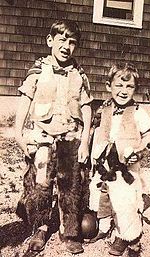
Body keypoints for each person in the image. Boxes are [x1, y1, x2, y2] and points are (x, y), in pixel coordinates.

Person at [15, 19, 93, 254]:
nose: (66, 46)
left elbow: (87, 107)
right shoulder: (38, 71)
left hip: (70, 136)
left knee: (70, 186)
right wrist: (19, 134)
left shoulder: (79, 74)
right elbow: (25, 101)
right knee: (41, 185)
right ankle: (40, 228)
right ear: (50, 41)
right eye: (61, 40)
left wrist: (86, 141)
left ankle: (69, 232)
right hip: (43, 137)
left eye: (72, 43)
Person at [89, 63, 150, 256]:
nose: (124, 91)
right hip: (104, 166)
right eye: (119, 85)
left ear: (135, 89)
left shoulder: (137, 111)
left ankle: (126, 236)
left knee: (124, 201)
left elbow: (148, 135)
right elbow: (96, 133)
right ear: (109, 86)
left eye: (129, 86)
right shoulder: (104, 109)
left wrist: (140, 149)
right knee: (101, 195)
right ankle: (104, 226)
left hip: (126, 168)